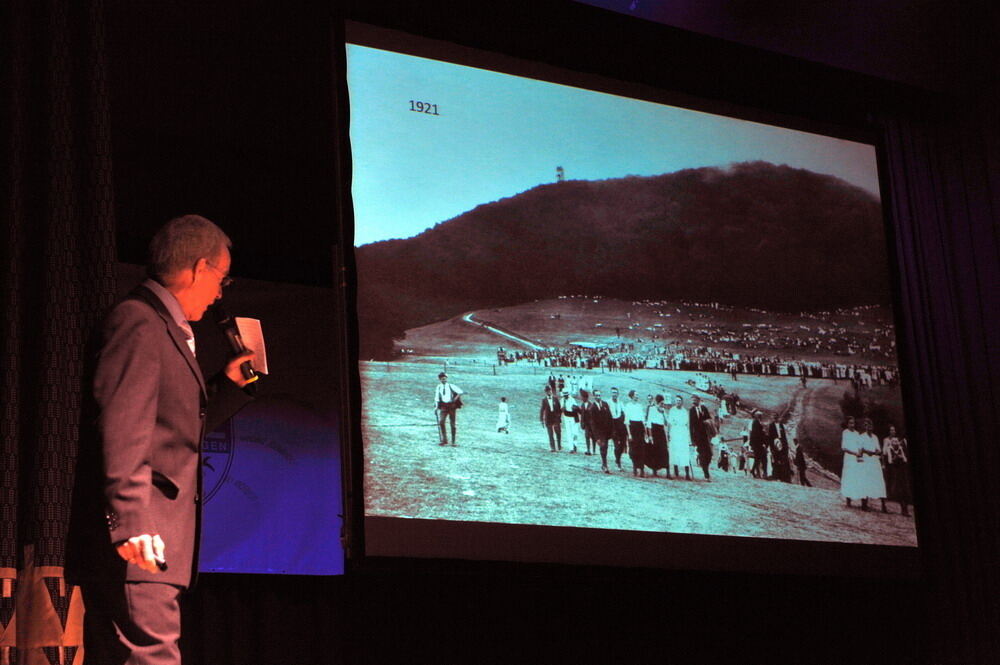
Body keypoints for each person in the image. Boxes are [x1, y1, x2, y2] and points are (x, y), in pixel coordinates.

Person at [67, 215, 256, 665]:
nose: (220, 293)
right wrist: (132, 523)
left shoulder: (163, 329)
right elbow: (122, 427)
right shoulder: (139, 322)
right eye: (221, 278)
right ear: (200, 267)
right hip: (141, 542)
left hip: (151, 545)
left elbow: (172, 429)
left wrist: (228, 387)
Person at [857, 418, 888, 512]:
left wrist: (877, 452)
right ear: (865, 427)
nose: (868, 427)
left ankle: (883, 505)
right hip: (866, 459)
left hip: (874, 460)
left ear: (872, 427)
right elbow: (860, 449)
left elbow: (878, 450)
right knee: (866, 480)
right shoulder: (862, 436)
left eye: (870, 425)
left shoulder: (875, 437)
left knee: (879, 481)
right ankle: (864, 503)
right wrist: (867, 451)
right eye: (866, 425)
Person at [882, 425, 912, 516]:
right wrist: (891, 450)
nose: (893, 431)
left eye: (894, 430)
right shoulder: (887, 440)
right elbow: (884, 453)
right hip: (893, 466)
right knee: (894, 485)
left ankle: (904, 507)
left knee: (904, 486)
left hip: (901, 466)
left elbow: (903, 455)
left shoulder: (900, 442)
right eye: (891, 430)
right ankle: (885, 505)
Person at [667, 395, 693, 480]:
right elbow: (670, 423)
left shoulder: (684, 411)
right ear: (675, 401)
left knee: (684, 452)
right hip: (675, 432)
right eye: (677, 400)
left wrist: (688, 437)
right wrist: (669, 433)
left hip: (683, 433)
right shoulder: (672, 410)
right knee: (675, 451)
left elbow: (686, 424)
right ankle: (676, 470)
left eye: (680, 400)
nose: (678, 402)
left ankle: (687, 474)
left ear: (682, 402)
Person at [588, 389, 614, 473]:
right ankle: (604, 464)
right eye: (596, 395)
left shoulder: (605, 404)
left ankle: (604, 464)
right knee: (603, 447)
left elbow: (610, 417)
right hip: (599, 432)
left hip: (606, 430)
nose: (598, 397)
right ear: (594, 396)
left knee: (605, 447)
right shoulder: (592, 408)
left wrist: (611, 430)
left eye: (599, 395)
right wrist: (597, 437)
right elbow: (593, 424)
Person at [435, 372, 464, 446]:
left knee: (452, 424)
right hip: (443, 406)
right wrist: (436, 407)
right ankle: (444, 440)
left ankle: (453, 442)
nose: (444, 380)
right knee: (441, 422)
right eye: (442, 379)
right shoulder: (438, 387)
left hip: (451, 406)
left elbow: (460, 392)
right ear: (439, 379)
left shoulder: (451, 386)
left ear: (446, 379)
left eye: (445, 379)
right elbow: (437, 398)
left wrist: (454, 400)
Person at [689, 395, 714, 480]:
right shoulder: (691, 411)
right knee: (703, 454)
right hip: (698, 437)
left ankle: (705, 465)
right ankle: (706, 474)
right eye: (692, 400)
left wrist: (707, 422)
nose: (693, 401)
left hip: (706, 436)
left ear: (699, 400)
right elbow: (691, 426)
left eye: (695, 399)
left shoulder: (704, 408)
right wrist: (692, 440)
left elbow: (709, 420)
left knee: (709, 455)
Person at [644, 395, 669, 477]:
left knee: (664, 450)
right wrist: (650, 436)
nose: (662, 405)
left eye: (663, 403)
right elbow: (649, 423)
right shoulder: (652, 409)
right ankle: (654, 470)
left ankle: (667, 471)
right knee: (654, 451)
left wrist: (663, 414)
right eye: (661, 403)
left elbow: (666, 423)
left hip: (661, 431)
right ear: (657, 403)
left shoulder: (663, 410)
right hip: (654, 431)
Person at [624, 390, 646, 476]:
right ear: (632, 396)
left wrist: (645, 433)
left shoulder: (640, 406)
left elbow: (643, 420)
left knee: (641, 449)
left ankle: (642, 469)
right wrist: (629, 434)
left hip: (640, 428)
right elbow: (627, 421)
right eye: (636, 395)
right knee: (633, 450)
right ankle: (635, 467)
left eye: (637, 395)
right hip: (632, 428)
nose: (637, 396)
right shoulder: (628, 406)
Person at [608, 387, 628, 471]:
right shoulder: (608, 403)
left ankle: (618, 459)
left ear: (618, 394)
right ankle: (618, 462)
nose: (614, 394)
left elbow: (625, 413)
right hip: (613, 425)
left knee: (622, 444)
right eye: (613, 393)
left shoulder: (620, 403)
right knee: (617, 445)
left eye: (616, 393)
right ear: (611, 394)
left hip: (620, 425)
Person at [539, 386, 563, 452]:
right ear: (545, 392)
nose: (548, 392)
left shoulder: (555, 399)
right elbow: (542, 410)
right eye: (547, 391)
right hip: (548, 418)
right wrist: (541, 419)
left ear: (551, 391)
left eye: (549, 391)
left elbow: (559, 408)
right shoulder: (544, 400)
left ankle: (559, 445)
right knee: (550, 433)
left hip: (555, 417)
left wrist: (559, 416)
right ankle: (552, 447)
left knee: (558, 432)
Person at [748, 410, 768, 479]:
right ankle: (755, 471)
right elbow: (757, 434)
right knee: (759, 458)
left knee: (758, 458)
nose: (761, 417)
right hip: (757, 444)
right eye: (760, 416)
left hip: (757, 443)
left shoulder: (758, 422)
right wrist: (762, 442)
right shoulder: (756, 422)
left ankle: (754, 471)